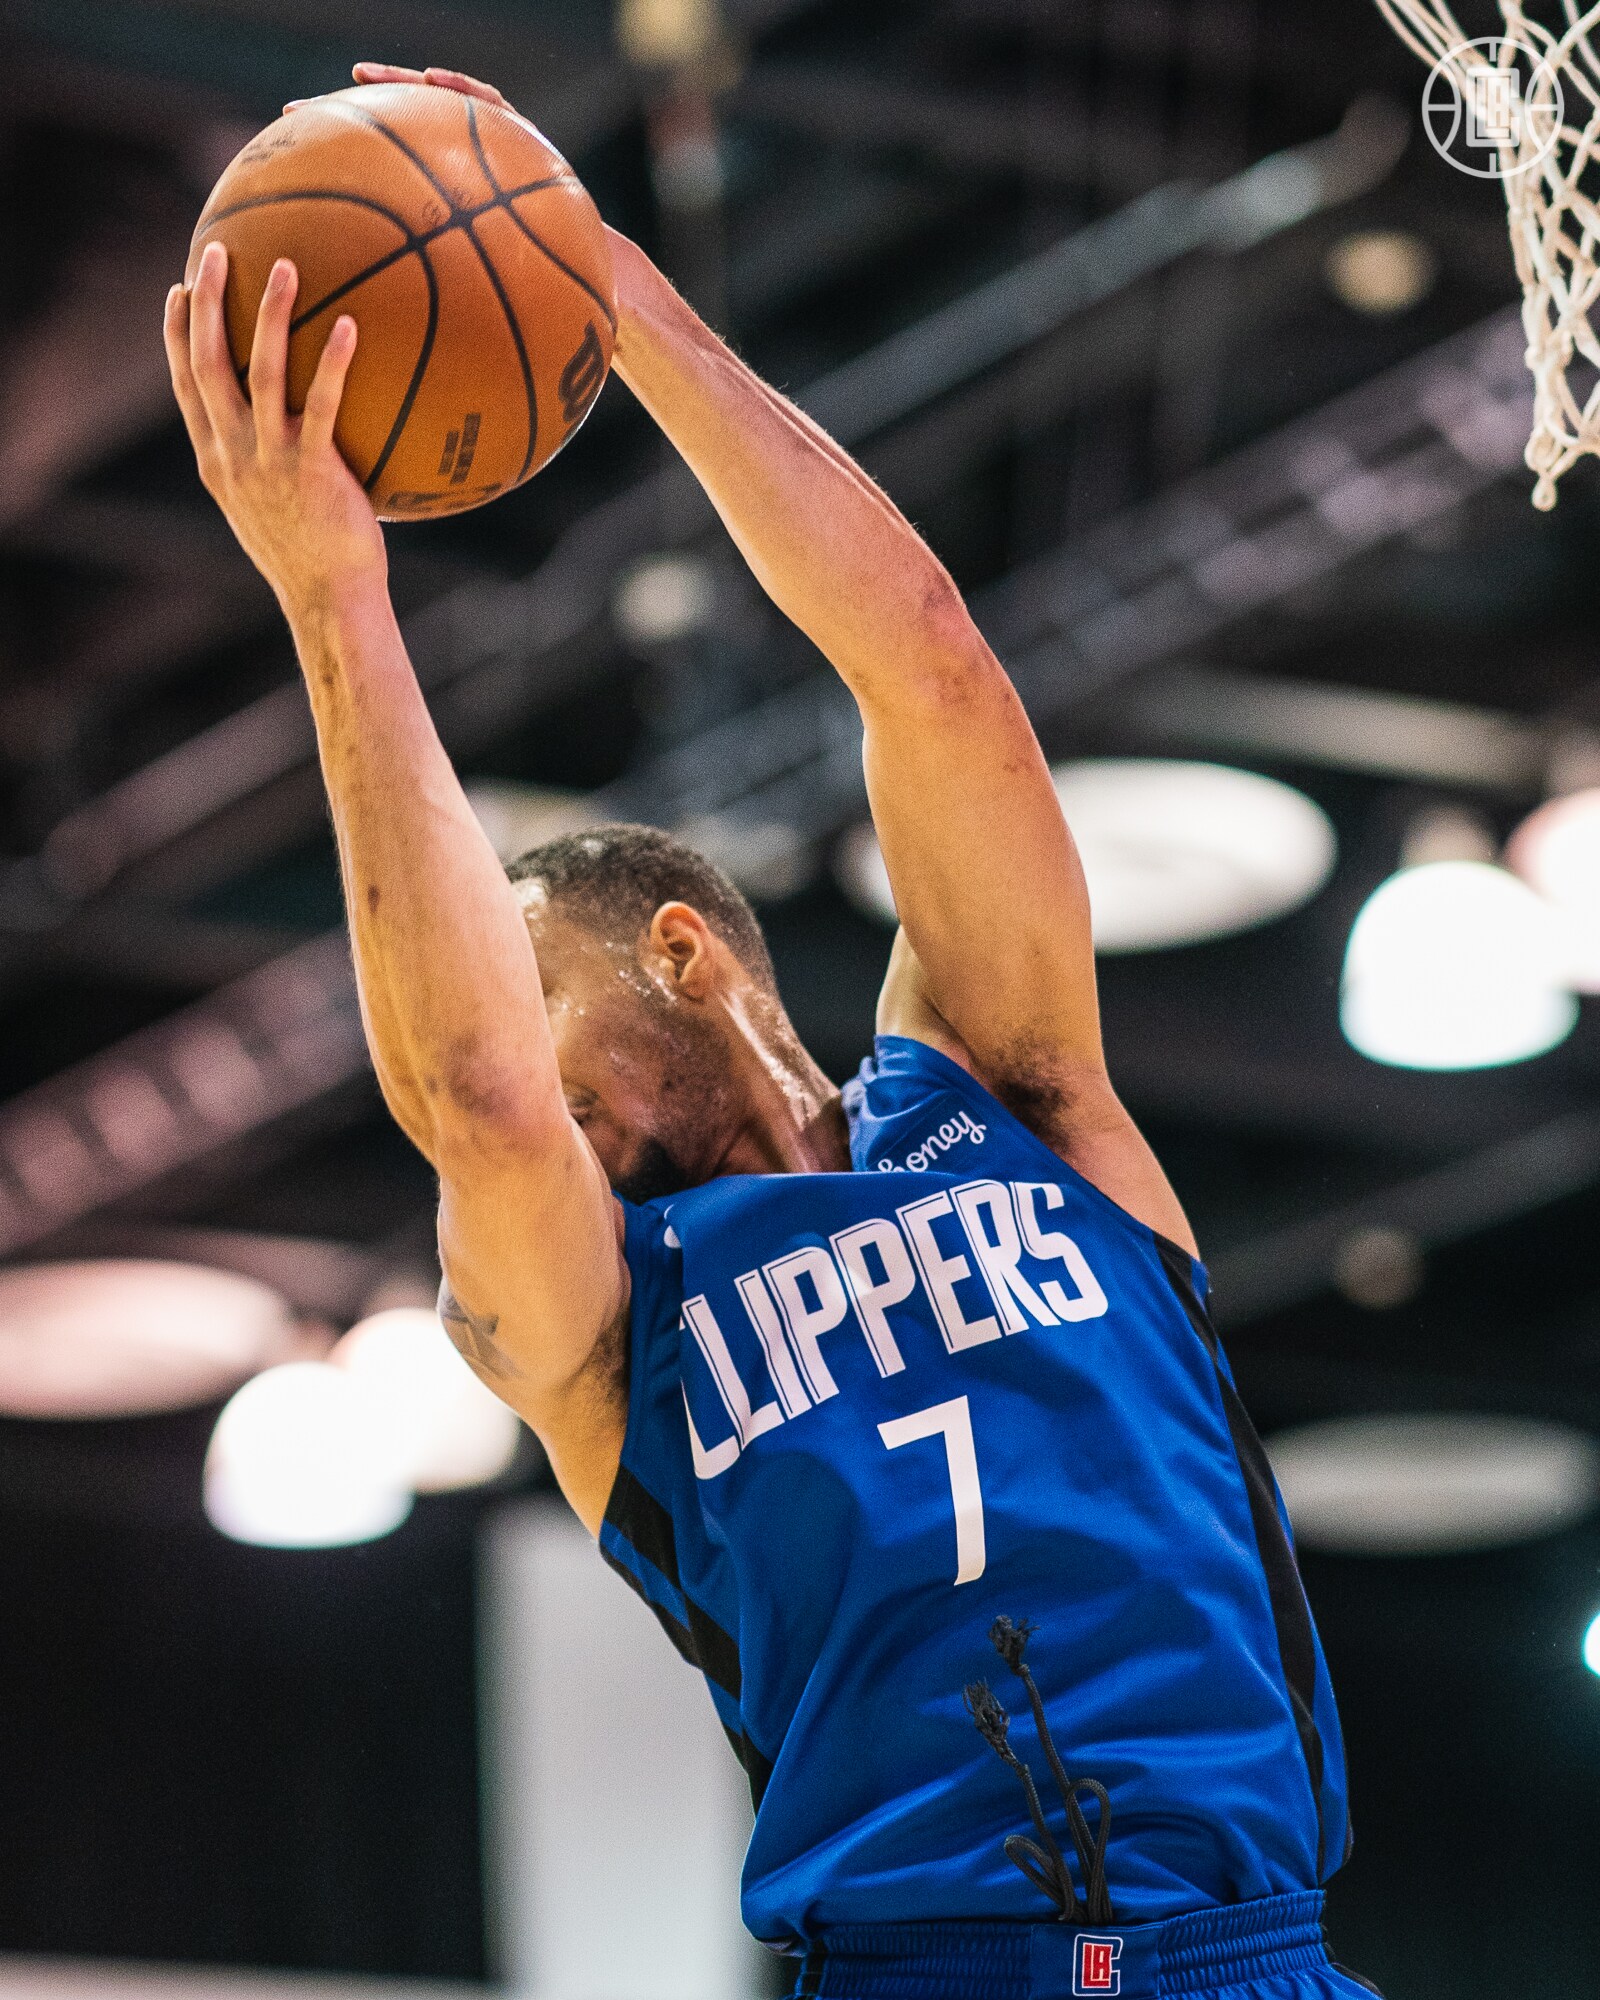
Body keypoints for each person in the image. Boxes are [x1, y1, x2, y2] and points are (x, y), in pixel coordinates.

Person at [163, 60, 1379, 2000]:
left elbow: (928, 670)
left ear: (681, 952)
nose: (515, 1056)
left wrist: (609, 294)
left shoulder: (1014, 1095)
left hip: (1243, 1954)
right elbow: (472, 1094)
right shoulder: (595, 1321)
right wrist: (335, 600)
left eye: (532, 979)